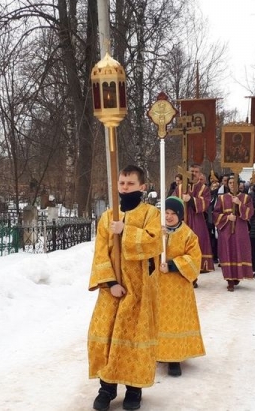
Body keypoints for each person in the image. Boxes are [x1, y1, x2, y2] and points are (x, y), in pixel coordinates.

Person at [87, 164, 162, 411]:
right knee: (108, 335)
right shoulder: (108, 216)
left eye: (130, 184)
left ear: (142, 187)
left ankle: (134, 390)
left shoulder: (151, 214)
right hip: (113, 289)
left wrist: (126, 231)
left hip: (139, 290)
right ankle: (106, 388)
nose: (125, 187)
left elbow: (154, 244)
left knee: (133, 338)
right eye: (121, 183)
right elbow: (100, 252)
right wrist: (110, 283)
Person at [157, 196, 206, 377]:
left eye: (172, 214)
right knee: (158, 320)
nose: (169, 217)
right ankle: (161, 352)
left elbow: (194, 260)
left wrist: (172, 265)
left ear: (180, 215)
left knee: (175, 322)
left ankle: (175, 359)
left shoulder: (188, 234)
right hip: (158, 285)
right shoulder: (157, 231)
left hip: (178, 286)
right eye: (166, 213)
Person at [213, 176, 254, 291]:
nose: (231, 184)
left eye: (234, 182)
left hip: (241, 230)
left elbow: (250, 213)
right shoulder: (222, 198)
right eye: (230, 183)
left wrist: (239, 203)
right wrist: (227, 217)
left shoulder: (246, 197)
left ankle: (238, 275)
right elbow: (215, 214)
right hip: (226, 231)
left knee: (239, 251)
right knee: (228, 252)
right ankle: (229, 279)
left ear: (239, 184)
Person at [175, 164, 214, 274]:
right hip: (182, 219)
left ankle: (195, 273)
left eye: (196, 171)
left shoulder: (204, 188)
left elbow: (206, 203)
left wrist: (191, 199)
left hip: (197, 219)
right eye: (191, 171)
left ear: (200, 174)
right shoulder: (180, 187)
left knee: (197, 243)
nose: (193, 174)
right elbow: (172, 201)